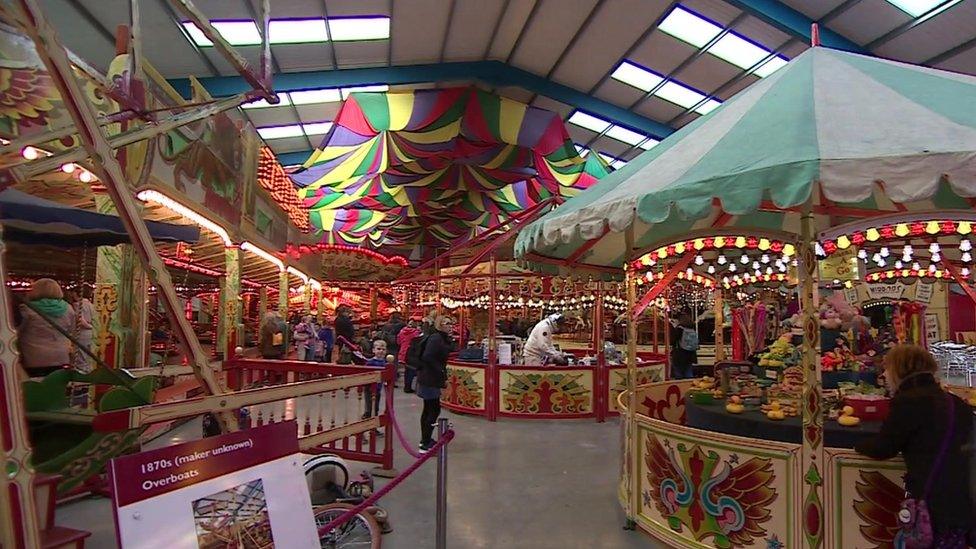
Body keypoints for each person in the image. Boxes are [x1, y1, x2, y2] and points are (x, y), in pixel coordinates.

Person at [855, 345, 974, 547]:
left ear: (899, 369)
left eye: (888, 368)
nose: (884, 374)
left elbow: (884, 448)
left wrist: (858, 444)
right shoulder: (955, 402)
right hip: (961, 500)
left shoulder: (908, 401)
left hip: (932, 503)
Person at [17, 278, 77, 377]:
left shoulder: (26, 309)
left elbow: (17, 332)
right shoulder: (68, 309)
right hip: (61, 356)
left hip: (33, 357)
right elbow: (72, 330)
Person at [417, 315, 454, 452]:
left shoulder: (440, 338)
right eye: (447, 323)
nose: (450, 326)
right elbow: (428, 356)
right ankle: (425, 441)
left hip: (430, 377)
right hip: (430, 378)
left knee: (430, 408)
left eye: (451, 323)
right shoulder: (436, 338)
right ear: (440, 325)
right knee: (432, 409)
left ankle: (425, 440)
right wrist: (440, 371)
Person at [65, 289, 94, 372]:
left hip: (82, 333)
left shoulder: (78, 305)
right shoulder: (91, 305)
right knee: (88, 357)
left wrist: (89, 326)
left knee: (80, 358)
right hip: (90, 334)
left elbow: (81, 320)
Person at [363, 339, 387, 420]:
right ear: (373, 350)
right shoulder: (370, 362)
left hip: (378, 388)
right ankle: (367, 421)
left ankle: (373, 425)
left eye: (383, 349)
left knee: (376, 407)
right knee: (370, 407)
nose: (381, 351)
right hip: (370, 388)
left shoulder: (385, 362)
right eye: (379, 349)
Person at [669, 314, 698, 379]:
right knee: (688, 370)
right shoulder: (692, 328)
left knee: (678, 371)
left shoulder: (680, 329)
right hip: (690, 353)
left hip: (679, 353)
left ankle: (681, 386)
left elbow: (673, 341)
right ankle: (689, 385)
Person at [397, 319, 422, 393]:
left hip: (403, 351)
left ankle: (406, 386)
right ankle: (409, 387)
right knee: (411, 370)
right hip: (411, 352)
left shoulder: (401, 332)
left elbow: (398, 341)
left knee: (407, 371)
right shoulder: (416, 333)